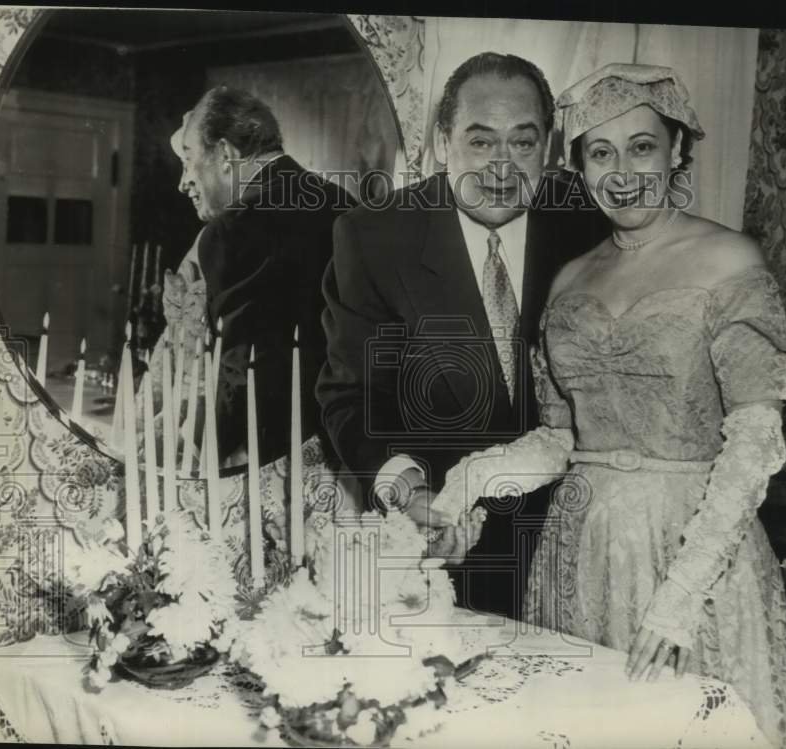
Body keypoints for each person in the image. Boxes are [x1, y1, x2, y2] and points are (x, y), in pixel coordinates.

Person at [434, 63, 786, 749]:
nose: (622, 170)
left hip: (693, 553)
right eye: (599, 152)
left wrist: (679, 597)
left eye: (642, 146)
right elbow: (559, 439)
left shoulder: (728, 260)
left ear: (676, 152)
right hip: (578, 551)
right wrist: (466, 486)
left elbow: (753, 443)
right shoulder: (571, 278)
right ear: (576, 166)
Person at [316, 53, 609, 619]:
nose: (502, 167)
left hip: (582, 542)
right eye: (480, 142)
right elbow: (349, 399)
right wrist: (409, 491)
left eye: (523, 143)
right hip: (449, 555)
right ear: (441, 141)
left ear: (548, 148)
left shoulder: (591, 224)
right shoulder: (374, 239)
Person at [178, 86, 355, 467]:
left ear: (224, 154)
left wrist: (197, 450)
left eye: (188, 159)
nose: (183, 182)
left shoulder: (230, 231)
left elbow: (241, 370)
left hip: (271, 459)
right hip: (350, 450)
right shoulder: (349, 207)